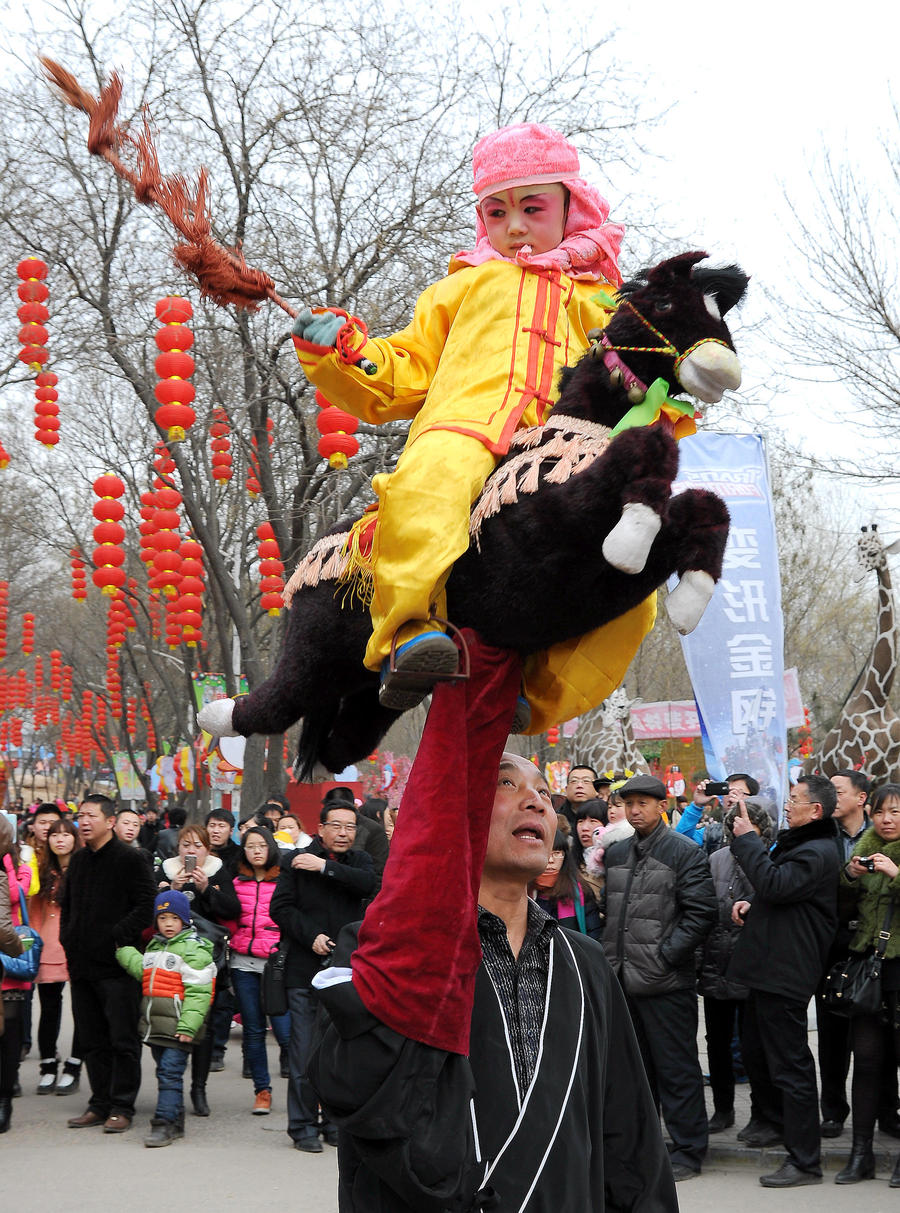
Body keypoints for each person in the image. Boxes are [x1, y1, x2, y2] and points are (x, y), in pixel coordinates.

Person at [288, 122, 654, 732]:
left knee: (634, 576)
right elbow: (402, 370)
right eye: (497, 211)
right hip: (462, 427)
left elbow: (644, 377)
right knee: (424, 492)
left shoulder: (604, 301)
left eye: (532, 208)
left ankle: (538, 693)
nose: (514, 227)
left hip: (566, 447)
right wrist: (342, 353)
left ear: (570, 206)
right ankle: (410, 634)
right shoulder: (459, 288)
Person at [307, 752, 677, 1210]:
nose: (538, 803)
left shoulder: (585, 963)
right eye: (506, 785)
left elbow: (629, 1133)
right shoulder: (389, 950)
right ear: (449, 817)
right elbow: (349, 1091)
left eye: (544, 792)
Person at [601, 773, 717, 1181]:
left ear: (661, 805)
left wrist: (666, 956)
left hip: (666, 983)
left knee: (677, 1068)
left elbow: (702, 913)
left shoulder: (683, 851)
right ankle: (646, 1147)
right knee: (635, 1071)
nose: (634, 811)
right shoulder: (616, 854)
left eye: (643, 804)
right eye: (628, 804)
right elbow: (607, 913)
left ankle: (688, 1149)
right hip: (622, 980)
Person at [729, 773, 841, 1187]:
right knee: (760, 1054)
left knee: (791, 1066)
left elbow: (777, 884)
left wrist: (746, 840)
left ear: (815, 810)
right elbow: (781, 896)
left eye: (794, 799)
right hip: (768, 969)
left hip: (785, 973)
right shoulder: (802, 845)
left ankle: (805, 1160)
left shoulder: (817, 850)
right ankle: (774, 1124)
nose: (787, 805)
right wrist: (752, 905)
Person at [270, 800, 376, 1152]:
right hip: (304, 970)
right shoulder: (294, 862)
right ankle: (301, 1126)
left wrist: (324, 868)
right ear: (322, 827)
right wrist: (311, 935)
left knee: (337, 1054)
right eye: (337, 825)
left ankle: (333, 1124)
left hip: (345, 973)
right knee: (303, 1052)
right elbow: (280, 908)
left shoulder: (358, 862)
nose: (344, 833)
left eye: (350, 827)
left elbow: (368, 886)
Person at [60, 793, 157, 1133]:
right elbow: (68, 906)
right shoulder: (80, 861)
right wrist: (68, 939)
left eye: (90, 816)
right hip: (82, 965)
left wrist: (118, 936)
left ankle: (122, 1105)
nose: (83, 822)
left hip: (116, 967)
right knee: (91, 1038)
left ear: (110, 821)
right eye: (80, 816)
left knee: (121, 1038)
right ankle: (98, 1103)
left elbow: (146, 905)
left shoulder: (130, 859)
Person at [833, 782, 900, 1186]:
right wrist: (850, 875)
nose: (887, 819)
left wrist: (897, 875)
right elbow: (841, 909)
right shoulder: (864, 850)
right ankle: (861, 1154)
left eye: (895, 812)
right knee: (868, 1062)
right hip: (869, 970)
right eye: (881, 812)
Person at [116, 889, 216, 1148]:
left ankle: (163, 1124)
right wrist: (124, 951)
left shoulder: (194, 949)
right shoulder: (155, 945)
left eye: (174, 918)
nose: (168, 924)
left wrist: (188, 1026)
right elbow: (144, 972)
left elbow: (200, 993)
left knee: (169, 1074)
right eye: (163, 918)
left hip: (179, 1026)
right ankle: (176, 1120)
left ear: (184, 919)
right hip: (157, 1025)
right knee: (165, 1071)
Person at [698, 799, 774, 1133]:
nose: (740, 831)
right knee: (716, 1043)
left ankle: (761, 1113)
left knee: (754, 1046)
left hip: (755, 966)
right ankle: (723, 1109)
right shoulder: (715, 859)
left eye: (750, 826)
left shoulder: (770, 861)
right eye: (735, 825)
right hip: (717, 963)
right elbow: (703, 910)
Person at [157, 823, 240, 1116]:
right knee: (167, 1022)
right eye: (186, 845)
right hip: (170, 961)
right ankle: (171, 1087)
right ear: (177, 848)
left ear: (208, 849)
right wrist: (173, 891)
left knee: (202, 1026)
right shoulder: (165, 871)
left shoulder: (217, 872)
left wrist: (206, 889)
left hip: (205, 959)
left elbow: (232, 910)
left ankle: (199, 1088)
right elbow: (151, 913)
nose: (191, 851)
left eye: (198, 846)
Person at [230, 826, 292, 1115]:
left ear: (271, 848)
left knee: (286, 1031)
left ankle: (306, 1091)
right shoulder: (235, 882)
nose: (256, 850)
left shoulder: (284, 881)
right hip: (242, 962)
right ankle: (262, 1090)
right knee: (253, 1030)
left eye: (261, 845)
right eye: (250, 846)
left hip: (275, 965)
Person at [29, 817, 84, 1095]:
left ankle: (74, 1065)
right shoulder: (40, 870)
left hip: (78, 945)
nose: (60, 839)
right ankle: (48, 1065)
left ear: (75, 839)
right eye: (54, 835)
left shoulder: (84, 868)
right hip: (47, 945)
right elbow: (32, 910)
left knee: (81, 1009)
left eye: (66, 834)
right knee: (49, 1008)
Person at [0, 815, 27, 1132]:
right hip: (8, 963)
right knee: (7, 1040)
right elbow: (4, 930)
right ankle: (4, 1100)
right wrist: (19, 948)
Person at [532, 829, 602, 939]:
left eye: (557, 853)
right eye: (546, 853)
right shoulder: (524, 890)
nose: (550, 860)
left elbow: (594, 934)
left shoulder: (579, 891)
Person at [570, 798, 607, 897]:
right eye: (580, 821)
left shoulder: (615, 858)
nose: (584, 828)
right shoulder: (568, 857)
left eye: (593, 821)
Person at [559, 764, 600, 830]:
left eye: (586, 781)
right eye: (574, 781)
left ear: (597, 790)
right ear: (566, 789)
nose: (579, 785)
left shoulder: (607, 816)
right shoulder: (556, 819)